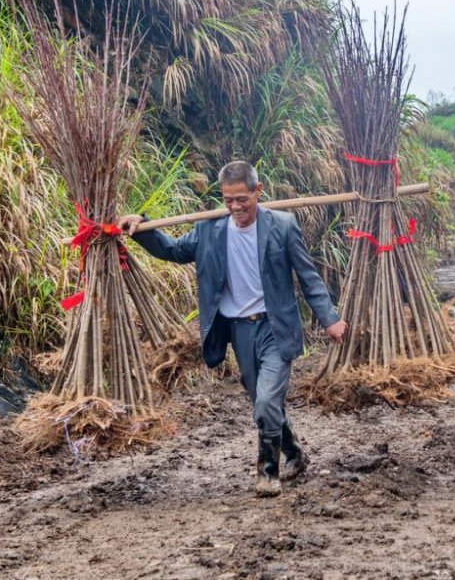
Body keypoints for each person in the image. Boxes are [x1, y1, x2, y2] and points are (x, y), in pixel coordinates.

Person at [118, 160, 348, 497]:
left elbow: (308, 276)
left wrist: (330, 318)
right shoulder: (211, 230)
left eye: (242, 199)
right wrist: (143, 226)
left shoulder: (282, 226)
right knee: (262, 402)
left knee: (268, 399)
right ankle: (294, 452)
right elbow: (174, 250)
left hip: (274, 326)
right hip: (239, 330)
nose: (235, 207)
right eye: (228, 200)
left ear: (258, 191)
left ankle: (267, 472)